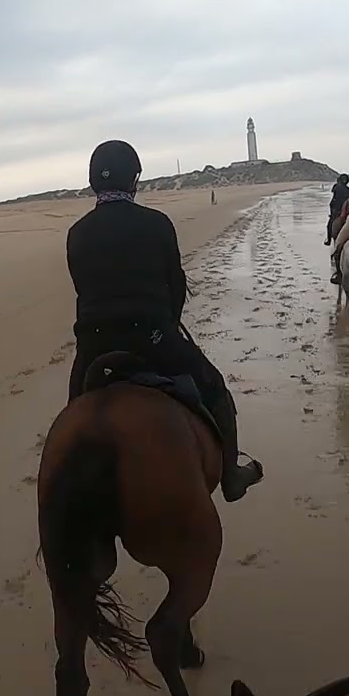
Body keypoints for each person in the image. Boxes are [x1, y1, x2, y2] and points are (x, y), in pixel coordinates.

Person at [65, 139, 264, 502]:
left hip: (94, 346)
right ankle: (232, 478)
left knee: (71, 418)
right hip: (153, 340)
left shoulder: (76, 233)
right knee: (215, 388)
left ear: (94, 181)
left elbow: (84, 291)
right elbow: (176, 286)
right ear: (133, 179)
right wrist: (166, 327)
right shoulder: (156, 224)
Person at [325, 174, 349, 245]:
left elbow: (333, 199)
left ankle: (329, 240)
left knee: (329, 225)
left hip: (337, 210)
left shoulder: (336, 187)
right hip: (346, 210)